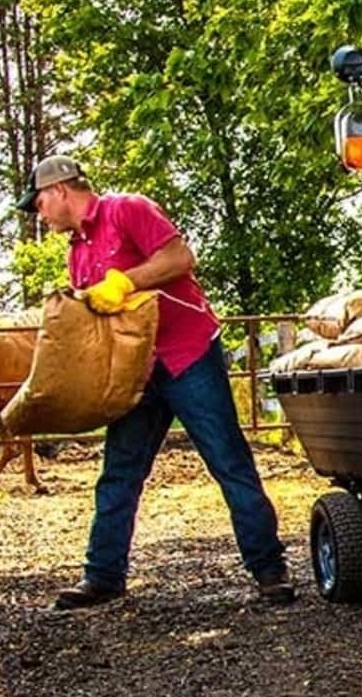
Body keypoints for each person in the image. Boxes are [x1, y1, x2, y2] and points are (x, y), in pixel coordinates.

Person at [18, 154, 296, 609]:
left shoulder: (127, 209)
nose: (40, 213)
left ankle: (270, 571)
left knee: (228, 460)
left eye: (40, 202)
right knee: (119, 473)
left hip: (188, 355)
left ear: (61, 190)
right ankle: (103, 576)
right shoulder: (77, 252)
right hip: (138, 372)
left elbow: (180, 258)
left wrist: (123, 282)